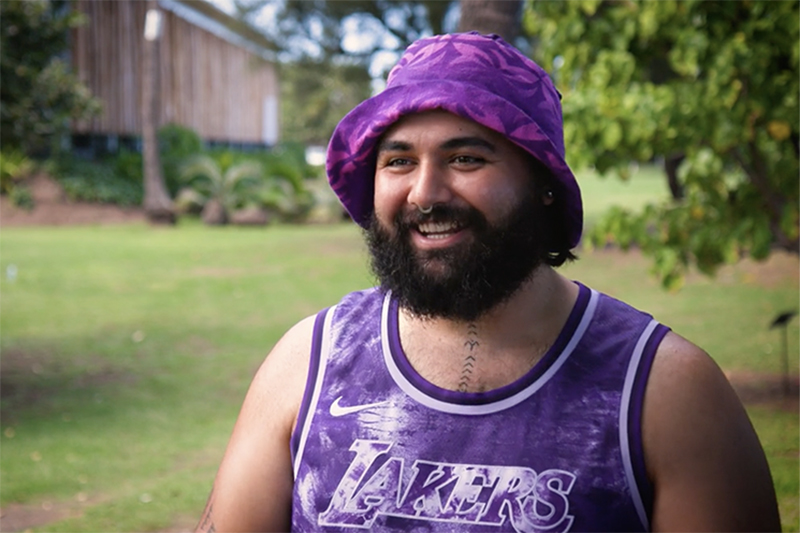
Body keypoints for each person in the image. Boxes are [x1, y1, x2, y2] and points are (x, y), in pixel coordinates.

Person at [197, 32, 780, 533]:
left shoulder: (663, 391)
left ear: (542, 181)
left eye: (467, 159)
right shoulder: (310, 362)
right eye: (398, 161)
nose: (425, 194)